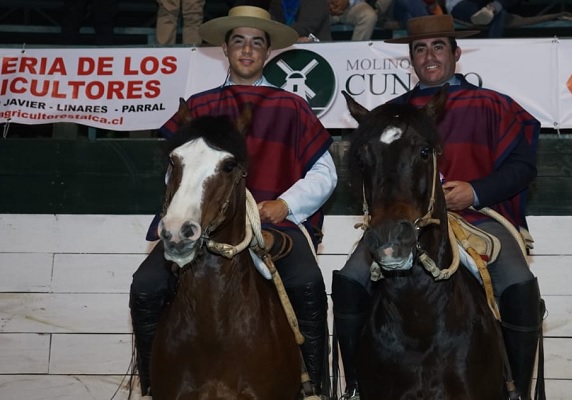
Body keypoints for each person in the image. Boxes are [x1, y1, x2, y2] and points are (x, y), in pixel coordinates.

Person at [331, 14, 545, 400]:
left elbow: (523, 166)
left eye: (438, 46)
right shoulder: (391, 115)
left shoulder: (493, 105)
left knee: (518, 281)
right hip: (408, 221)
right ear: (410, 59)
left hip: (481, 218)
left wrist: (477, 191)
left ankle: (518, 391)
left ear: (455, 52)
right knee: (349, 278)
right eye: (419, 48)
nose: (429, 55)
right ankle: (355, 386)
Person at [129, 5, 337, 398]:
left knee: (307, 282)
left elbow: (326, 173)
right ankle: (153, 382)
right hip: (201, 225)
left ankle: (313, 384)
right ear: (225, 49)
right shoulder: (199, 106)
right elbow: (174, 171)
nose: (247, 50)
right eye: (238, 41)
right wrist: (183, 213)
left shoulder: (292, 107)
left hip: (274, 223)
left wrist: (286, 205)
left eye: (256, 43)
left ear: (267, 51)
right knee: (145, 286)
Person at [446, 0, 523, 37]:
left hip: (487, 6)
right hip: (461, 5)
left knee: (498, 13)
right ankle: (493, 9)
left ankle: (492, 9)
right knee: (499, 13)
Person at [269, 0, 334, 42]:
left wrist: (282, 39)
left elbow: (305, 27)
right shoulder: (274, 3)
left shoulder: (316, 2)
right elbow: (271, 26)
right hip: (282, 52)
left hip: (318, 52)